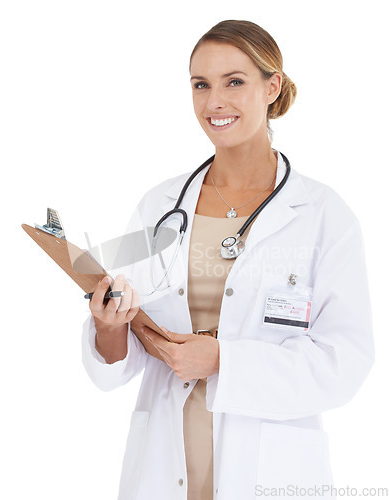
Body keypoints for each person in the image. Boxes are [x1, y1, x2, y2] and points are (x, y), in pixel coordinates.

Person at [82, 20, 374, 500]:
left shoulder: (325, 216)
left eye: (234, 82)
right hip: (164, 461)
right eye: (201, 85)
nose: (214, 101)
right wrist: (109, 325)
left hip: (269, 469)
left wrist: (224, 361)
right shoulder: (160, 206)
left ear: (272, 85)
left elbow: (345, 363)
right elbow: (118, 357)